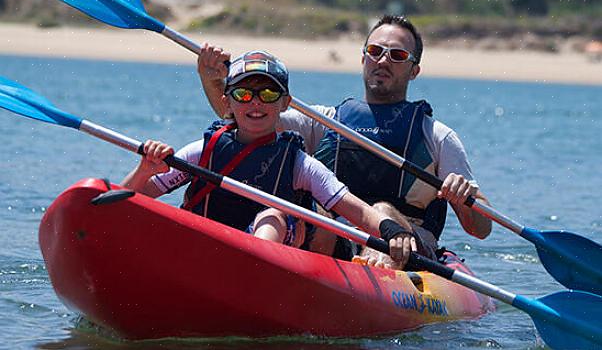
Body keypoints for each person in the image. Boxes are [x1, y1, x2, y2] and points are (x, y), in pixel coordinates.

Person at [197, 15, 492, 270]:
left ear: (414, 70)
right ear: (363, 58)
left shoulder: (437, 136)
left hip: (404, 244)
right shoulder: (324, 121)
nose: (383, 60)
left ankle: (375, 280)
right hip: (333, 240)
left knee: (383, 211)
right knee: (300, 207)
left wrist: (463, 199)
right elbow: (244, 116)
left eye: (397, 56)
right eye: (375, 51)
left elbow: (481, 228)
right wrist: (212, 80)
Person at [122, 50, 416, 267]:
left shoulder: (299, 164)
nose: (257, 102)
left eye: (268, 93)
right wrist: (144, 169)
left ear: (285, 103)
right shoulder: (201, 152)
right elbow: (133, 197)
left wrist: (390, 230)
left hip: (265, 257)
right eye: (244, 94)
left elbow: (358, 212)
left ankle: (253, 266)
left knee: (273, 216)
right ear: (227, 102)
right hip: (205, 244)